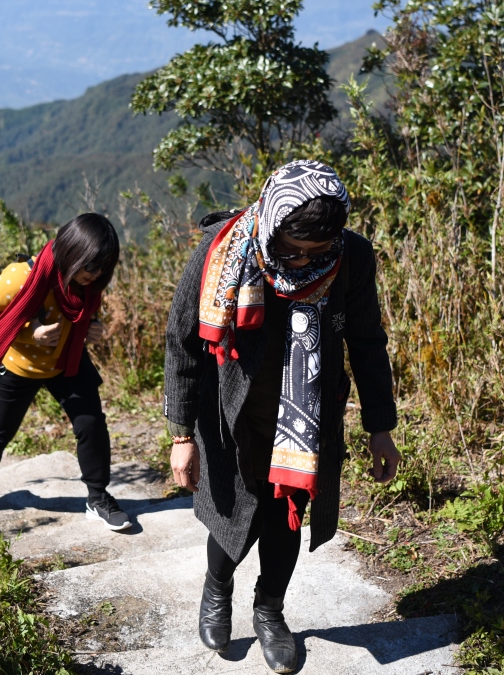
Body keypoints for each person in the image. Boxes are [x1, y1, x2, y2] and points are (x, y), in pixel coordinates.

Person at [164, 160, 401, 673]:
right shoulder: (223, 250)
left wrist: (380, 428)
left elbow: (365, 341)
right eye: (290, 250)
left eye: (317, 253)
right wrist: (181, 432)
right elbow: (181, 340)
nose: (301, 263)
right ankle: (217, 588)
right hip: (232, 411)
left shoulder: (352, 259)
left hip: (306, 417)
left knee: (284, 515)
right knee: (232, 515)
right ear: (271, 224)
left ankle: (270, 610)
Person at [0, 212, 131, 531]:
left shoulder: (87, 281)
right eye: (91, 266)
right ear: (72, 253)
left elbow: (82, 315)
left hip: (66, 361)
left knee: (91, 423)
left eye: (103, 267)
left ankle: (97, 497)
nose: (96, 275)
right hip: (18, 367)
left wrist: (92, 328)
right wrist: (29, 332)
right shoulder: (21, 276)